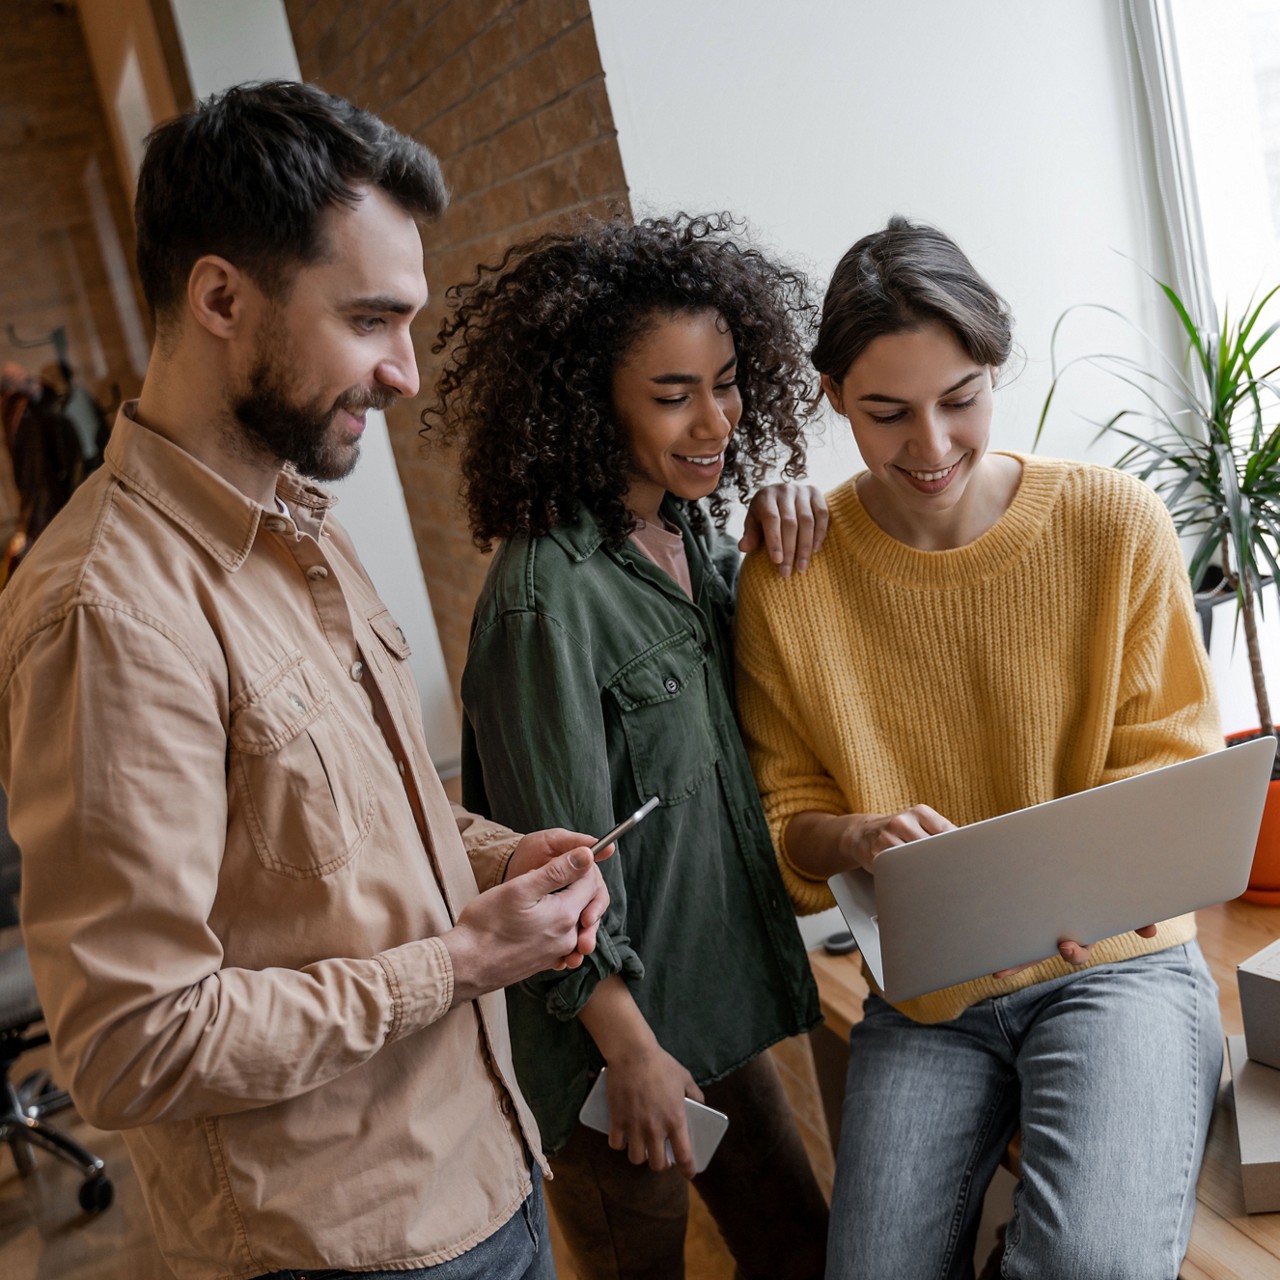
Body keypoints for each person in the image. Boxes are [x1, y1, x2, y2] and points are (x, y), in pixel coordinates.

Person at [0, 80, 615, 1280]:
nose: (406, 372)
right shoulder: (105, 611)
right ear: (222, 296)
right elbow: (133, 1042)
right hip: (342, 1247)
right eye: (372, 320)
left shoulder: (299, 521)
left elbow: (343, 828)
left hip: (483, 1169)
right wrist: (458, 960)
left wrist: (495, 858)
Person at [735, 216, 1224, 1280]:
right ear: (829, 398)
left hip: (1116, 968)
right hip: (928, 998)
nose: (930, 446)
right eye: (884, 413)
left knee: (1087, 1262)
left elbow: (1174, 757)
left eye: (959, 398)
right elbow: (782, 816)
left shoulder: (1112, 522)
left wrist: (1092, 874)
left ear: (994, 369)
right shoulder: (787, 575)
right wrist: (852, 831)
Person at [427, 213, 831, 1280]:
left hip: (701, 998)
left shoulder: (688, 527)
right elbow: (551, 868)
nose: (714, 419)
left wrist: (786, 513)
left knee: (799, 1245)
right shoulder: (541, 602)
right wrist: (631, 1047)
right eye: (672, 395)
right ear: (588, 399)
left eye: (728, 380)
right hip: (611, 1039)